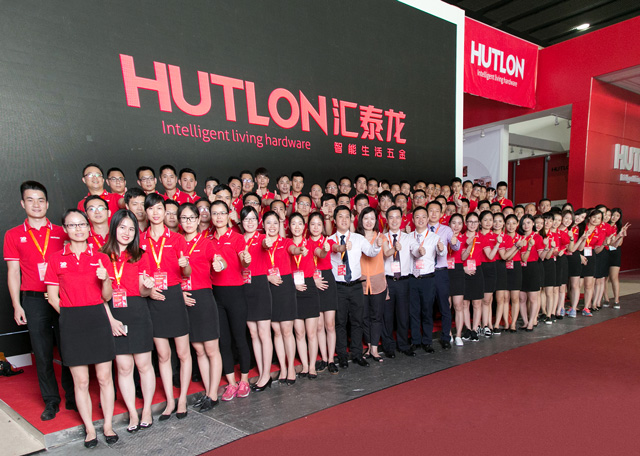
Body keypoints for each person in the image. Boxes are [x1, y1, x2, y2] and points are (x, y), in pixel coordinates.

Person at [44, 209, 117, 447]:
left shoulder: (101, 257)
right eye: (72, 225)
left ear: (88, 227)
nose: (78, 229)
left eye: (82, 224)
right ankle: (89, 429)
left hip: (97, 318)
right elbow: (52, 297)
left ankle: (108, 425)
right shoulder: (56, 259)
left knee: (105, 378)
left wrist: (105, 279)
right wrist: (69, 315)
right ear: (65, 229)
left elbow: (107, 296)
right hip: (72, 321)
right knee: (81, 381)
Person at [4, 181, 75, 421]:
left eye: (41, 200)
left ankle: (73, 396)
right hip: (34, 300)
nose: (36, 205)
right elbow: (13, 272)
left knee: (68, 348)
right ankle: (51, 400)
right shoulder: (13, 234)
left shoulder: (62, 232)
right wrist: (17, 304)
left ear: (47, 204)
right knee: (42, 352)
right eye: (30, 200)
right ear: (22, 203)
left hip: (62, 296)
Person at [101, 210, 156, 431]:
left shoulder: (141, 255)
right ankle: (133, 413)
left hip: (138, 311)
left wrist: (148, 286)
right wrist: (111, 320)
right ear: (114, 228)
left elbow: (143, 292)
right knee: (124, 367)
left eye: (131, 229)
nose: (127, 232)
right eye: (122, 227)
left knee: (144, 364)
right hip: (113, 313)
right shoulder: (101, 256)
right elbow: (98, 295)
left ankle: (147, 410)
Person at [140, 193, 191, 419]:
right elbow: (137, 273)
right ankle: (170, 400)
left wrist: (185, 265)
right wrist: (147, 290)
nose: (156, 212)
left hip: (174, 296)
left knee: (182, 352)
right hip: (153, 297)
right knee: (162, 354)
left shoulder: (177, 238)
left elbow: (186, 272)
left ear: (165, 211)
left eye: (159, 208)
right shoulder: (140, 240)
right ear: (146, 212)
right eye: (151, 208)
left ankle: (183, 399)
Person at [177, 203, 225, 411]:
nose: (188, 222)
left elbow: (220, 261)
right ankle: (207, 392)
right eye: (184, 218)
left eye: (192, 218)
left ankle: (213, 394)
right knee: (198, 349)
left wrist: (219, 264)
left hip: (203, 297)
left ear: (198, 220)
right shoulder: (177, 242)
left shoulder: (206, 243)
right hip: (184, 298)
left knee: (211, 349)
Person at [329, 205, 383, 368]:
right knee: (340, 322)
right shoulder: (329, 240)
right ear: (334, 220)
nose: (344, 219)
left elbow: (371, 252)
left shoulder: (359, 239)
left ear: (351, 219)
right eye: (340, 216)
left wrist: (377, 244)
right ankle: (342, 356)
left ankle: (358, 354)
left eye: (347, 216)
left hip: (356, 286)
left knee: (357, 321)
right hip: (338, 287)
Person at [209, 200, 253, 399]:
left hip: (236, 293)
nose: (218, 217)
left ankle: (244, 380)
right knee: (223, 341)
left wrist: (246, 259)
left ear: (228, 215)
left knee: (239, 338)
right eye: (215, 213)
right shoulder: (208, 240)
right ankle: (231, 383)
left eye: (222, 213)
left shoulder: (237, 238)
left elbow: (244, 261)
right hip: (216, 295)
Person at [240, 206, 274, 391]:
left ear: (258, 221)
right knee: (253, 333)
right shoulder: (239, 240)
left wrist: (267, 242)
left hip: (260, 286)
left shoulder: (261, 238)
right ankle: (261, 372)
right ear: (241, 222)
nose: (250, 222)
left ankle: (266, 375)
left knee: (264, 332)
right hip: (244, 287)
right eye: (246, 219)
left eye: (253, 219)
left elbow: (266, 244)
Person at [262, 210, 298, 384]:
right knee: (276, 331)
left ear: (280, 225)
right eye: (268, 222)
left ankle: (291, 367)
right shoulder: (260, 244)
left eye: (275, 223)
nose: (272, 226)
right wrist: (267, 277)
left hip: (285, 287)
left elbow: (293, 249)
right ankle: (282, 368)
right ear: (263, 225)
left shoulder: (286, 242)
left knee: (287, 330)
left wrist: (298, 250)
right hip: (268, 288)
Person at [409, 205, 448, 352]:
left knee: (427, 310)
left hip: (428, 279)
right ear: (413, 219)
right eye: (417, 217)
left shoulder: (434, 237)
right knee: (413, 311)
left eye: (423, 217)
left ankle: (427, 341)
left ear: (427, 219)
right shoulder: (408, 237)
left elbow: (441, 252)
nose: (420, 220)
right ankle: (415, 340)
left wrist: (441, 248)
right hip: (412, 278)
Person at [381, 205, 416, 357]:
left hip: (403, 281)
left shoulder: (408, 238)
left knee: (403, 315)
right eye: (391, 217)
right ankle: (388, 346)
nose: (394, 220)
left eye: (397, 217)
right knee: (387, 316)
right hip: (387, 280)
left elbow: (416, 251)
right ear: (387, 220)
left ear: (402, 219)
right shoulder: (382, 238)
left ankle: (403, 344)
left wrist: (421, 251)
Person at [289, 212, 320, 379]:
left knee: (311, 333)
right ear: (289, 226)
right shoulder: (286, 244)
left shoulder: (311, 243)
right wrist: (293, 284)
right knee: (299, 333)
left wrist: (324, 250)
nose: (297, 226)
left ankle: (313, 366)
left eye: (300, 223)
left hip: (309, 287)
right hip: (293, 288)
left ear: (304, 226)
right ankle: (305, 366)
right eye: (293, 223)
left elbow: (321, 254)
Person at [307, 212, 338, 374]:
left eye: (319, 224)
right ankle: (324, 358)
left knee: (330, 324)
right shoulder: (304, 243)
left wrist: (342, 247)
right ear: (308, 226)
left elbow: (335, 248)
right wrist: (313, 280)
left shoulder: (328, 241)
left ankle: (332, 359)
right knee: (318, 325)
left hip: (327, 279)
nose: (316, 227)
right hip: (313, 280)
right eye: (313, 224)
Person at [356, 207, 386, 362]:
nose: (369, 222)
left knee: (376, 316)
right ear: (361, 220)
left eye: (372, 219)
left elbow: (388, 253)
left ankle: (374, 348)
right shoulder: (356, 238)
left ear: (376, 221)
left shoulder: (381, 237)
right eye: (366, 218)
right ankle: (368, 346)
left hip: (377, 281)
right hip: (360, 282)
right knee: (364, 316)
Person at [517, 214, 544, 330]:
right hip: (520, 268)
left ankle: (532, 321)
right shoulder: (518, 237)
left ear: (533, 224)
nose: (526, 225)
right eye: (523, 223)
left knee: (533, 298)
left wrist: (548, 248)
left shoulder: (537, 237)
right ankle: (525, 321)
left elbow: (542, 256)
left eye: (528, 223)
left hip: (533, 268)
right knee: (522, 298)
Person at [461, 213, 484, 340]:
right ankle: (468, 329)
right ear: (466, 222)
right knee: (465, 303)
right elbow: (457, 257)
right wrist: (463, 269)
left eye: (475, 222)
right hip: (463, 271)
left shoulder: (482, 237)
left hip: (477, 271)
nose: (472, 224)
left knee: (477, 303)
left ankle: (475, 329)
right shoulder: (460, 237)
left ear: (479, 223)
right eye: (470, 221)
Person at [499, 214, 524, 332]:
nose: (511, 226)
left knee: (515, 298)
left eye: (514, 223)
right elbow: (505, 257)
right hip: (503, 268)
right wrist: (516, 247)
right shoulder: (502, 237)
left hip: (516, 268)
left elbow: (523, 257)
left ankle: (513, 323)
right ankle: (506, 322)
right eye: (508, 223)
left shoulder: (521, 238)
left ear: (517, 224)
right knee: (505, 298)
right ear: (505, 224)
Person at [607, 209, 630, 309]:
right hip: (605, 251)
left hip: (615, 253)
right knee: (604, 278)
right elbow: (606, 243)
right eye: (613, 215)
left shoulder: (619, 228)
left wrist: (621, 235)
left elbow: (619, 244)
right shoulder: (605, 226)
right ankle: (606, 299)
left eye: (617, 216)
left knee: (614, 277)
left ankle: (616, 300)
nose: (614, 217)